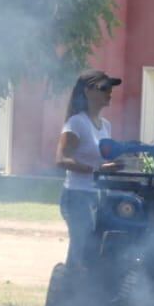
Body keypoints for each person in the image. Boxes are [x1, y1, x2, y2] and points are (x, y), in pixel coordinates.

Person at [54, 69, 121, 280]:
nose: (109, 92)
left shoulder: (106, 125)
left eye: (110, 88)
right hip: (77, 196)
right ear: (88, 91)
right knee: (80, 250)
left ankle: (89, 295)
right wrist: (96, 170)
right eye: (104, 88)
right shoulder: (76, 123)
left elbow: (100, 161)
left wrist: (117, 165)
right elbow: (61, 160)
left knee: (97, 249)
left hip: (98, 196)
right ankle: (68, 297)